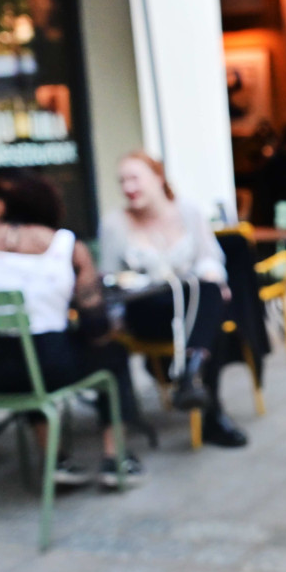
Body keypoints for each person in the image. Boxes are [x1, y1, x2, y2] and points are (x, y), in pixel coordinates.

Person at [0, 171, 143, 488]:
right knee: (111, 354)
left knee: (24, 357)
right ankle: (116, 459)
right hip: (45, 371)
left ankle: (57, 459)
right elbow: (96, 328)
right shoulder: (67, 247)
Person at [99, 152, 248, 448]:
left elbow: (211, 259)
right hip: (146, 310)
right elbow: (109, 281)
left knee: (210, 291)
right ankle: (208, 406)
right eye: (122, 181)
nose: (128, 187)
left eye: (134, 178)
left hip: (192, 309)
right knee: (210, 316)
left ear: (158, 178)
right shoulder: (114, 224)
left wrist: (210, 277)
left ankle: (191, 369)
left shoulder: (188, 212)